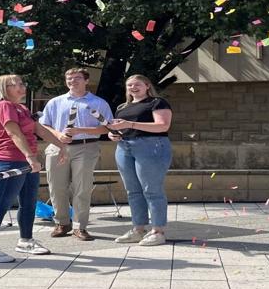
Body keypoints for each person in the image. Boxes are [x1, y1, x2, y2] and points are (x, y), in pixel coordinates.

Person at [0, 74, 71, 263]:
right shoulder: (4, 106)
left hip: (26, 162)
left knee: (29, 203)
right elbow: (14, 133)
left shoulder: (22, 108)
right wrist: (31, 157)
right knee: (2, 204)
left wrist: (62, 146)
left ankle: (26, 240)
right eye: (15, 84)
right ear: (3, 89)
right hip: (10, 161)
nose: (21, 86)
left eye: (22, 83)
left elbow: (39, 130)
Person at [38, 68, 114, 241]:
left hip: (86, 146)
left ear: (86, 81)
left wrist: (80, 130)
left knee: (82, 188)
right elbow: (44, 125)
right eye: (69, 78)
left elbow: (107, 127)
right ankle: (62, 223)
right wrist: (58, 135)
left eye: (77, 78)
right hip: (58, 147)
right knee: (57, 187)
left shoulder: (98, 102)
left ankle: (80, 226)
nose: (73, 81)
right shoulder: (55, 102)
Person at [101, 75, 173, 247]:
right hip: (124, 147)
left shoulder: (157, 102)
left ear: (147, 86)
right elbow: (119, 128)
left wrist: (129, 124)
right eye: (129, 85)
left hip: (151, 146)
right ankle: (138, 229)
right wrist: (113, 134)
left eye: (137, 84)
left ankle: (158, 231)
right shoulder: (122, 107)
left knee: (152, 190)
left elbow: (163, 126)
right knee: (133, 191)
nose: (133, 87)